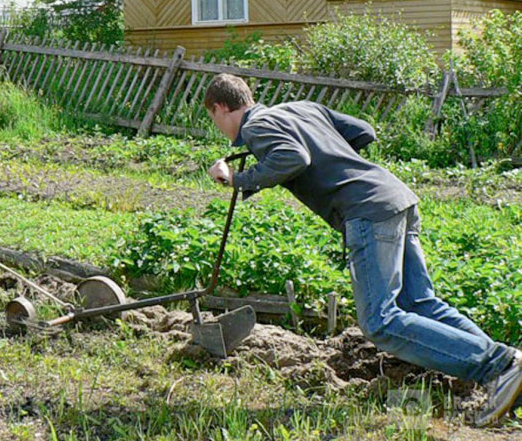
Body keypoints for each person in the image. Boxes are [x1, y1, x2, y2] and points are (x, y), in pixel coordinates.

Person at [203, 73, 521, 426]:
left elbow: (294, 157)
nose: (218, 126)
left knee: (380, 321)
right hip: (393, 196)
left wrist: (237, 178)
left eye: (214, 118)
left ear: (220, 108)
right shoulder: (300, 108)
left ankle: (499, 367)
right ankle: (510, 370)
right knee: (420, 302)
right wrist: (335, 157)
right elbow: (363, 130)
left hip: (367, 211)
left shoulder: (257, 125)